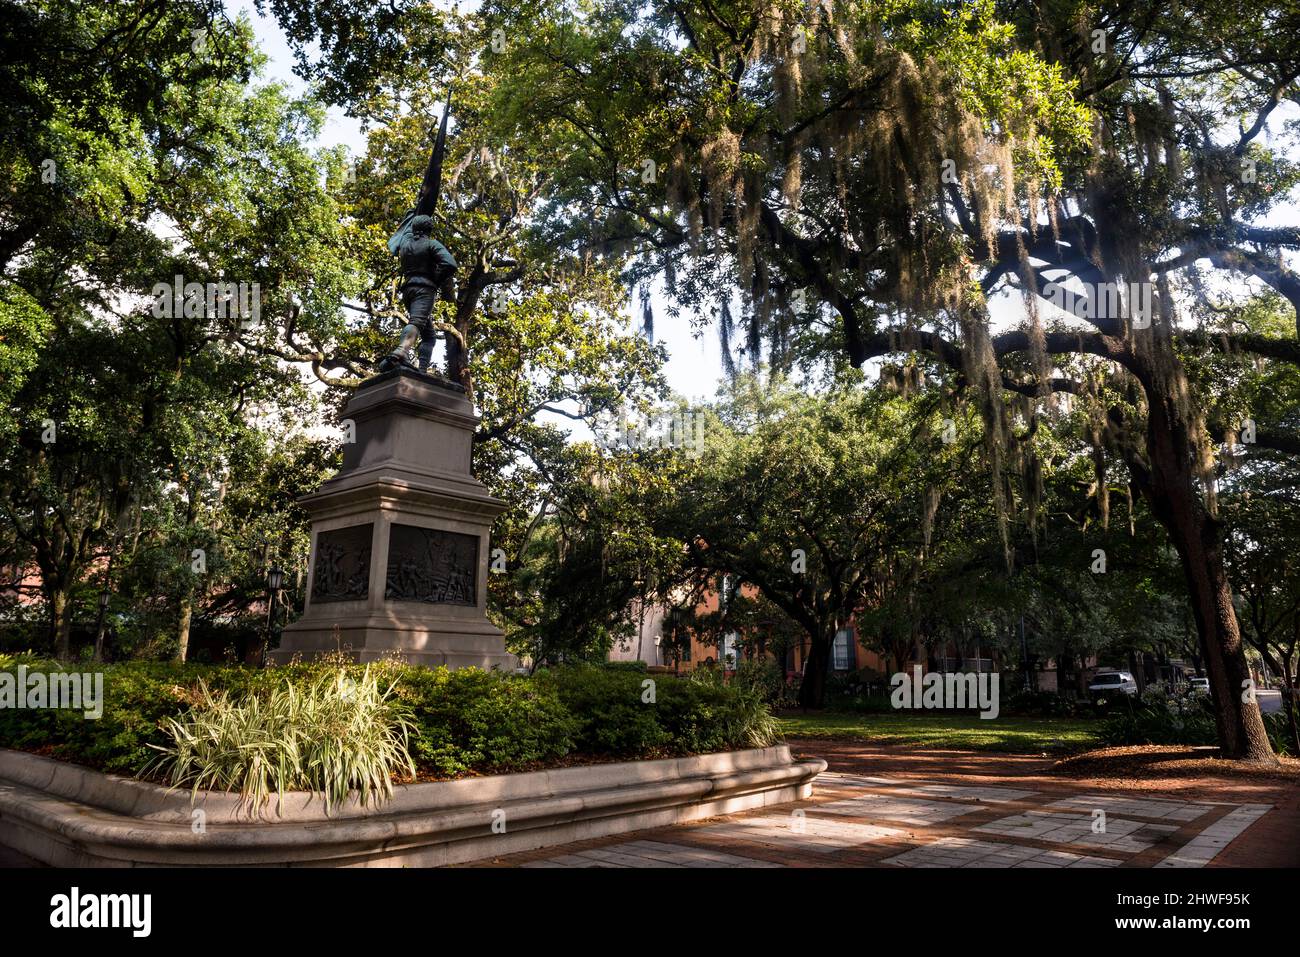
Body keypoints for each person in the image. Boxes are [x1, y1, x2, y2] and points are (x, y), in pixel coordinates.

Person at [378, 214, 458, 373]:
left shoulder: (405, 244)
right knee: (416, 322)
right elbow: (450, 264)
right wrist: (436, 278)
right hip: (424, 290)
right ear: (430, 229)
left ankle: (421, 370)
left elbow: (408, 229)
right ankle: (401, 351)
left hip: (408, 291)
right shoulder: (431, 244)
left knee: (429, 336)